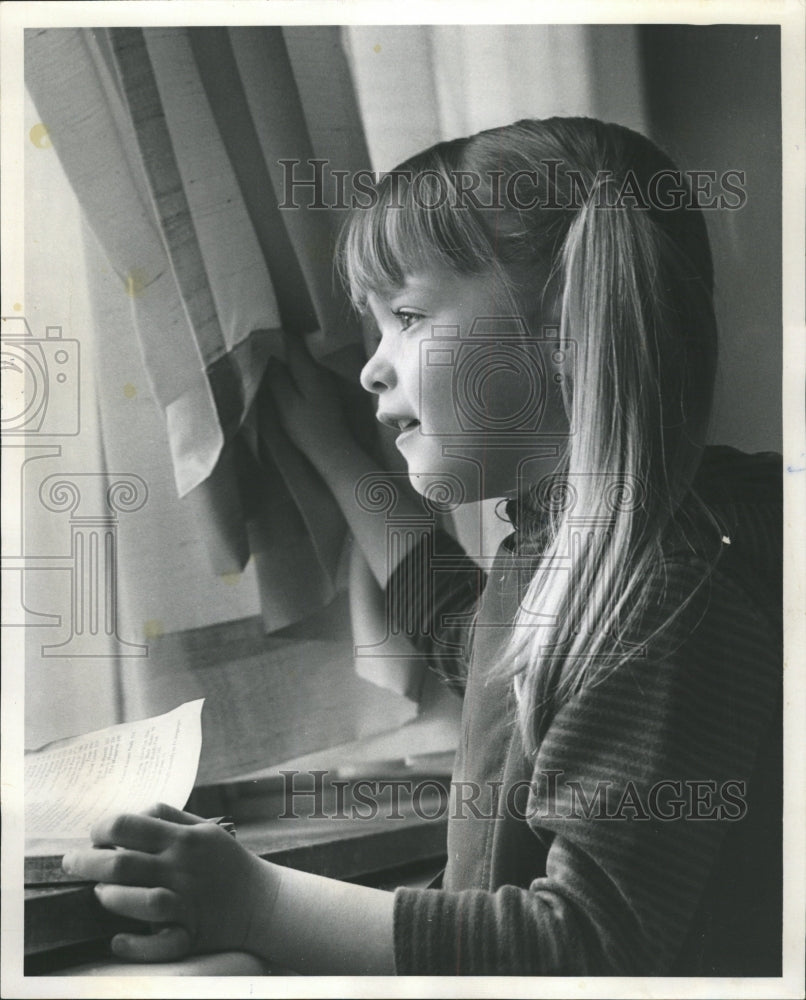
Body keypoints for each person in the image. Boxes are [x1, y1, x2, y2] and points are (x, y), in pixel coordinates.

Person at [63, 117, 782, 976]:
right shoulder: (580, 544)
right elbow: (469, 639)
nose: (372, 365)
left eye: (404, 315)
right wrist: (332, 453)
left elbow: (592, 947)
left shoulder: (671, 589)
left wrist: (256, 902)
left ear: (566, 325)